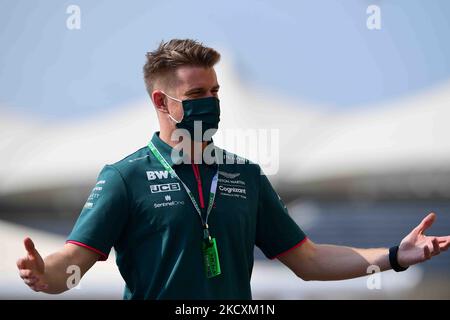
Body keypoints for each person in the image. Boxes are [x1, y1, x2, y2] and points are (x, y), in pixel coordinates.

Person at [17, 39, 450, 299]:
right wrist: (44, 274)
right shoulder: (124, 177)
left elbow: (309, 259)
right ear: (161, 102)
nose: (211, 101)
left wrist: (394, 256)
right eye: (197, 92)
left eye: (215, 91)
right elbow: (72, 261)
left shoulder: (245, 175)